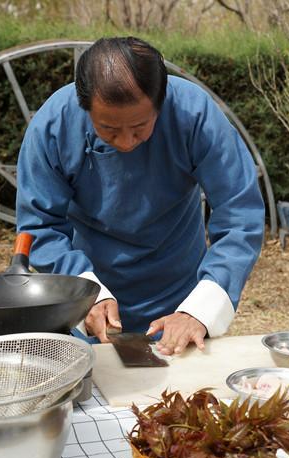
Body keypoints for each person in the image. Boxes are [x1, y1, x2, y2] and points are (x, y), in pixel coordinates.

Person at [16, 37, 265, 355]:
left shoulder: (194, 115)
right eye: (108, 129)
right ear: (84, 106)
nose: (125, 142)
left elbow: (240, 214)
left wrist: (200, 309)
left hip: (180, 288)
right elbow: (39, 227)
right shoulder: (53, 126)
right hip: (88, 280)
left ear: (161, 103)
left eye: (139, 127)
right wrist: (82, 291)